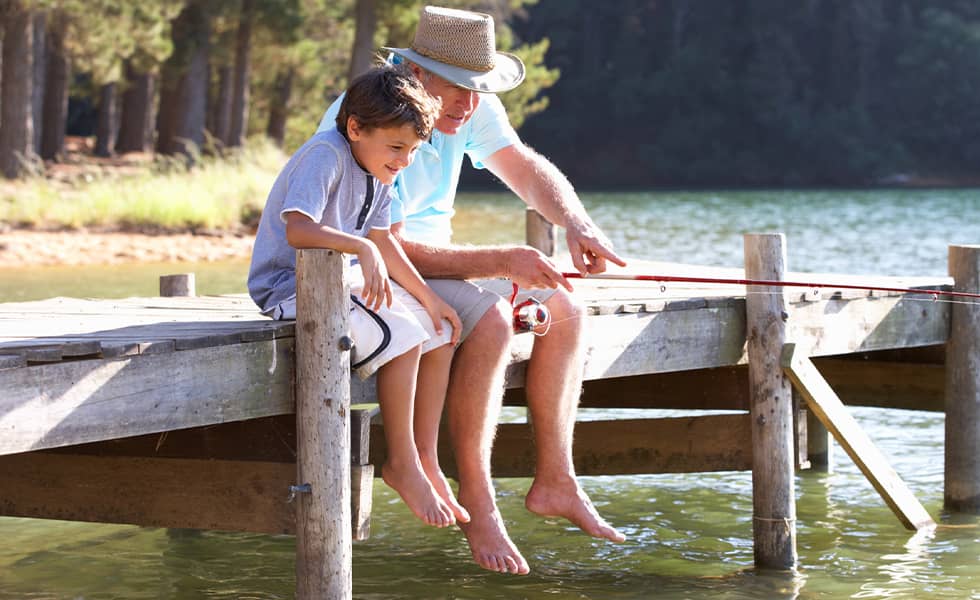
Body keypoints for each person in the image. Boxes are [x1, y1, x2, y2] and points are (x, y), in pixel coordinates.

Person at [318, 6, 628, 575]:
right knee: (490, 321)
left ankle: (556, 480)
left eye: (477, 88)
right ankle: (480, 507)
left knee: (566, 311)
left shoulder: (469, 108)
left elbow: (528, 169)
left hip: (436, 266)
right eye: (459, 88)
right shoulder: (367, 117)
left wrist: (578, 223)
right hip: (373, 272)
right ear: (417, 75)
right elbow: (375, 242)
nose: (470, 103)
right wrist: (501, 260)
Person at [249, 66, 471, 529]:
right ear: (355, 127)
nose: (404, 161)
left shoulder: (379, 167)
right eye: (397, 148)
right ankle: (402, 462)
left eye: (412, 150)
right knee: (407, 336)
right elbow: (299, 228)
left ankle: (421, 456)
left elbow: (383, 238)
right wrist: (360, 247)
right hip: (290, 288)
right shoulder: (325, 156)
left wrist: (428, 297)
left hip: (336, 285)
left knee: (436, 328)